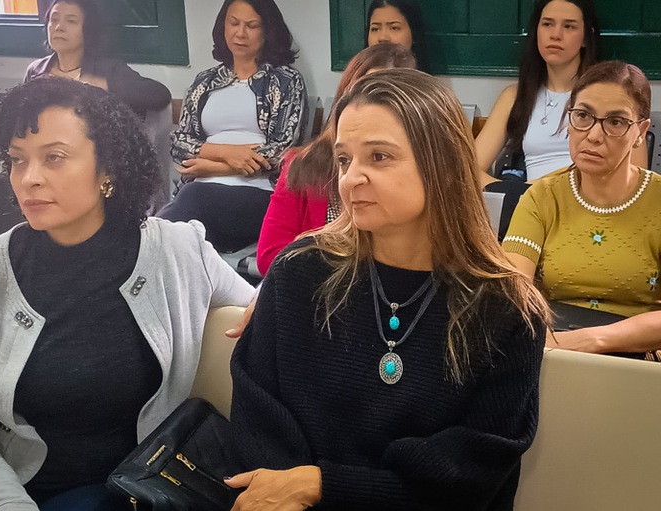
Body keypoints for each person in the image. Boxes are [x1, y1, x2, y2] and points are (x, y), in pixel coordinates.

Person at [226, 69, 550, 510]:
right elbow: (257, 420)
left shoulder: (506, 308)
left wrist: (325, 485)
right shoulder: (299, 272)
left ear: (443, 166)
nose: (350, 179)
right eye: (344, 160)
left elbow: (472, 474)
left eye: (378, 157)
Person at [0, 77, 254, 511]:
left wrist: (263, 303)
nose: (29, 179)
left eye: (55, 157)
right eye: (17, 160)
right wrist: (8, 503)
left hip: (124, 488)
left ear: (109, 169)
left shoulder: (178, 252)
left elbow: (260, 304)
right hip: (6, 484)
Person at [503, 60, 661, 362]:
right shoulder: (542, 197)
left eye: (616, 122)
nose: (594, 135)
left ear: (640, 131)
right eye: (583, 116)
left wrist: (591, 340)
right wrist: (554, 345)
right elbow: (511, 292)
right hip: (552, 349)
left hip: (639, 357)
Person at [158, 0, 307, 253]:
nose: (240, 33)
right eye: (234, 23)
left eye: (252, 26)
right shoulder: (205, 81)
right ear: (223, 26)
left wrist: (214, 168)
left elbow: (284, 150)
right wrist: (229, 154)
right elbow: (180, 144)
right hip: (199, 195)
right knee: (185, 226)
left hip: (259, 194)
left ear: (268, 31)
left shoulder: (285, 81)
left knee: (183, 213)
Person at [256, 43, 417, 276]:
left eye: (386, 96)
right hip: (312, 290)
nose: (370, 104)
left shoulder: (419, 172)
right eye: (344, 160)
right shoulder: (302, 164)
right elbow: (270, 256)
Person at [475, 0, 609, 185]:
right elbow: (469, 169)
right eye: (547, 24)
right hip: (527, 198)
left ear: (586, 37)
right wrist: (510, 192)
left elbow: (632, 175)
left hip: (585, 197)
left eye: (569, 26)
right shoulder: (515, 96)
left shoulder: (607, 96)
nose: (555, 35)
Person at [24, 0, 171, 118]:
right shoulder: (36, 70)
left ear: (88, 29)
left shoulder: (108, 70)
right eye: (54, 19)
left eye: (71, 21)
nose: (58, 27)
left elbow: (160, 95)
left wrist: (104, 85)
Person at [366, 0, 430, 73]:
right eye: (375, 29)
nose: (383, 37)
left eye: (394, 28)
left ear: (414, 33)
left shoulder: (425, 80)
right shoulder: (357, 79)